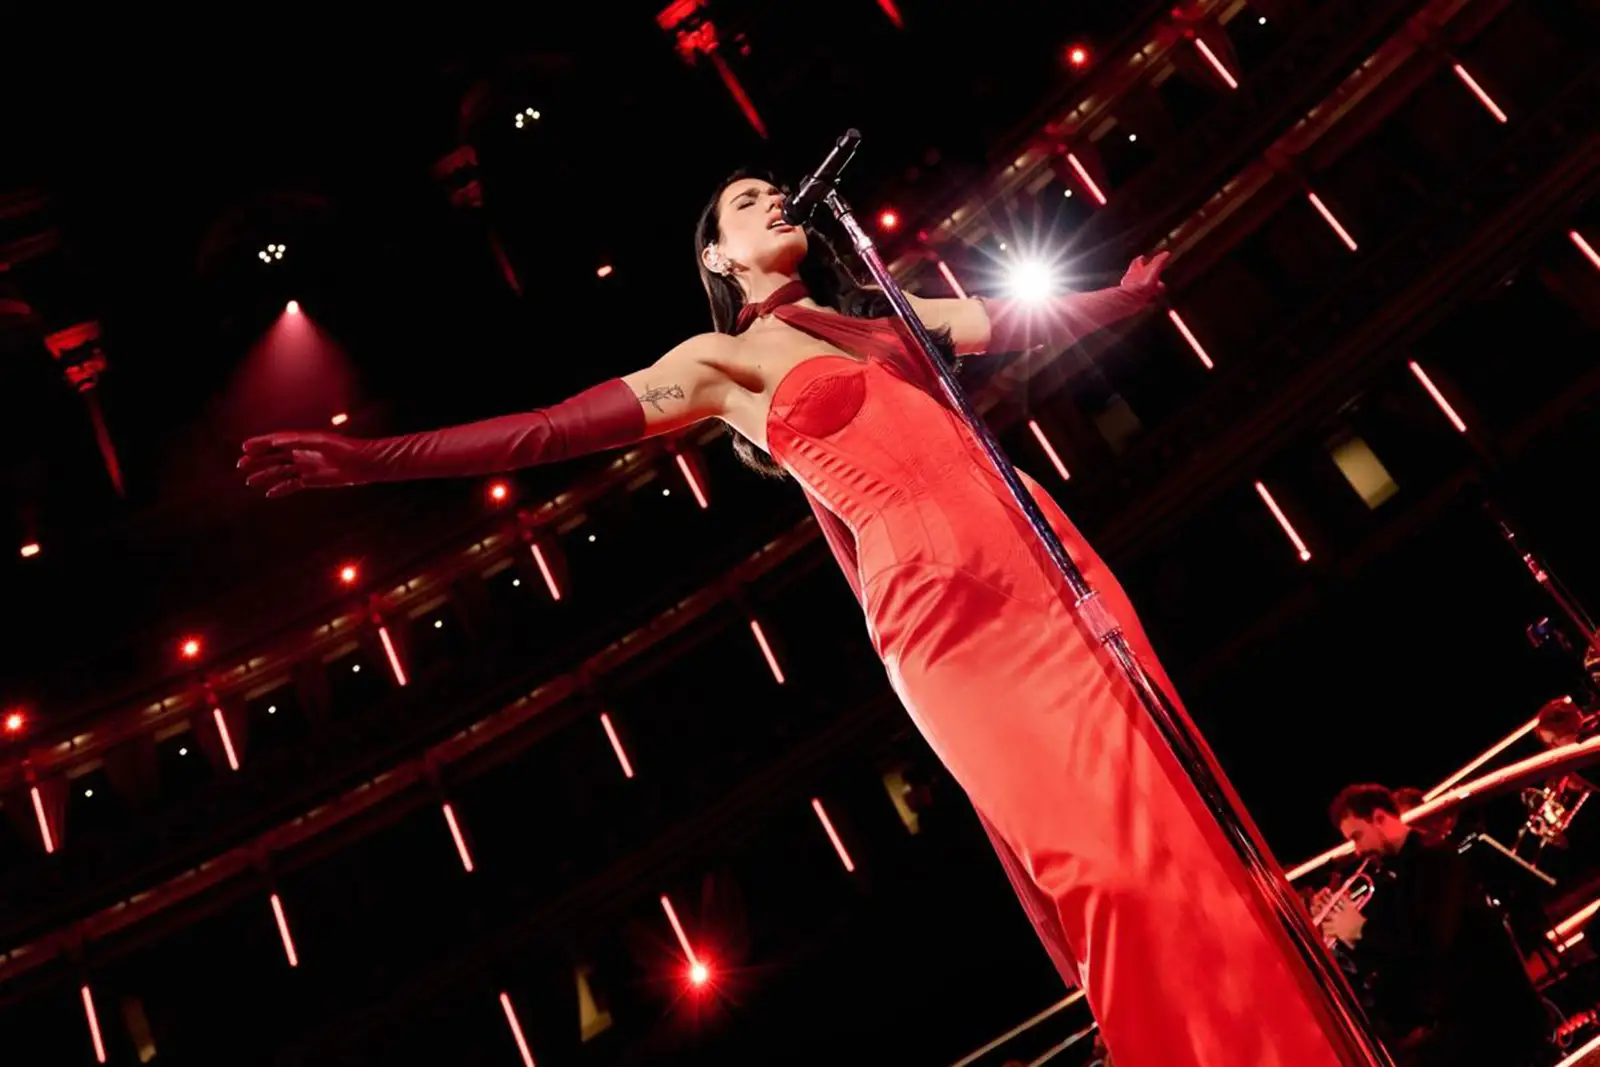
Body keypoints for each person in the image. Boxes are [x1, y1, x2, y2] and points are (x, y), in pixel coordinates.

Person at [240, 169, 1354, 1067]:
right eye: (744, 200)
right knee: (1096, 863)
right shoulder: (717, 361)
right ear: (718, 257)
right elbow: (549, 428)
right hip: (944, 619)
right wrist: (373, 461)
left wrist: (1124, 300)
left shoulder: (878, 320)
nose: (773, 199)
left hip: (1041, 566)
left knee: (1168, 814)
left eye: (774, 189)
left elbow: (1018, 319)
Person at [1324, 784, 1548, 1067]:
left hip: (1496, 1016)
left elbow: (1429, 945)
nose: (1357, 851)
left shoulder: (1435, 859)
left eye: (1357, 836)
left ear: (1379, 818)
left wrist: (1359, 931)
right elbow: (1393, 955)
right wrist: (1345, 933)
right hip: (1465, 1020)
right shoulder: (1393, 877)